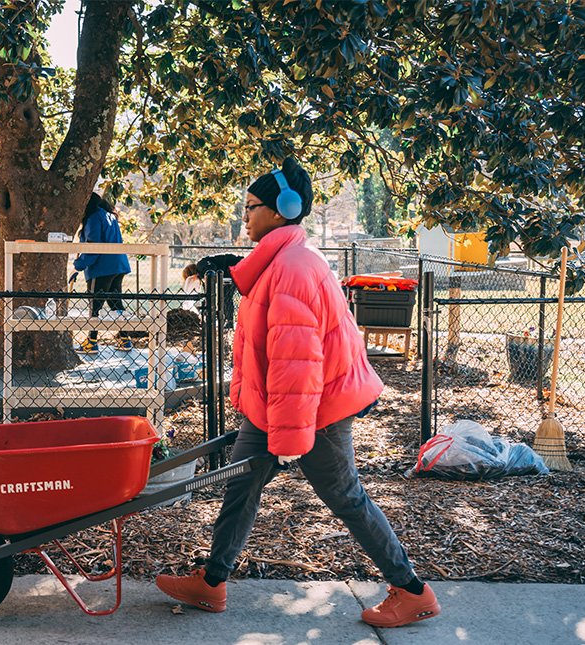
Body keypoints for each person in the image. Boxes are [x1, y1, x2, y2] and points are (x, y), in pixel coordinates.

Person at [155, 158, 440, 628]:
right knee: (241, 485)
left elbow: (297, 367)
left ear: (282, 211)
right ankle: (211, 582)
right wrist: (232, 268)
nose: (243, 216)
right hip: (278, 408)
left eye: (251, 207)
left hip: (313, 410)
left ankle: (411, 590)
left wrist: (288, 442)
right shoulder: (280, 263)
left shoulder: (292, 269)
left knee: (345, 496)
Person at [73, 192, 131, 353]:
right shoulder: (108, 216)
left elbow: (93, 247)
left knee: (94, 304)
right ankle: (125, 339)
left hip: (102, 267)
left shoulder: (93, 218)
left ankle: (91, 341)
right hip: (118, 265)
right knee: (115, 303)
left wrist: (79, 264)